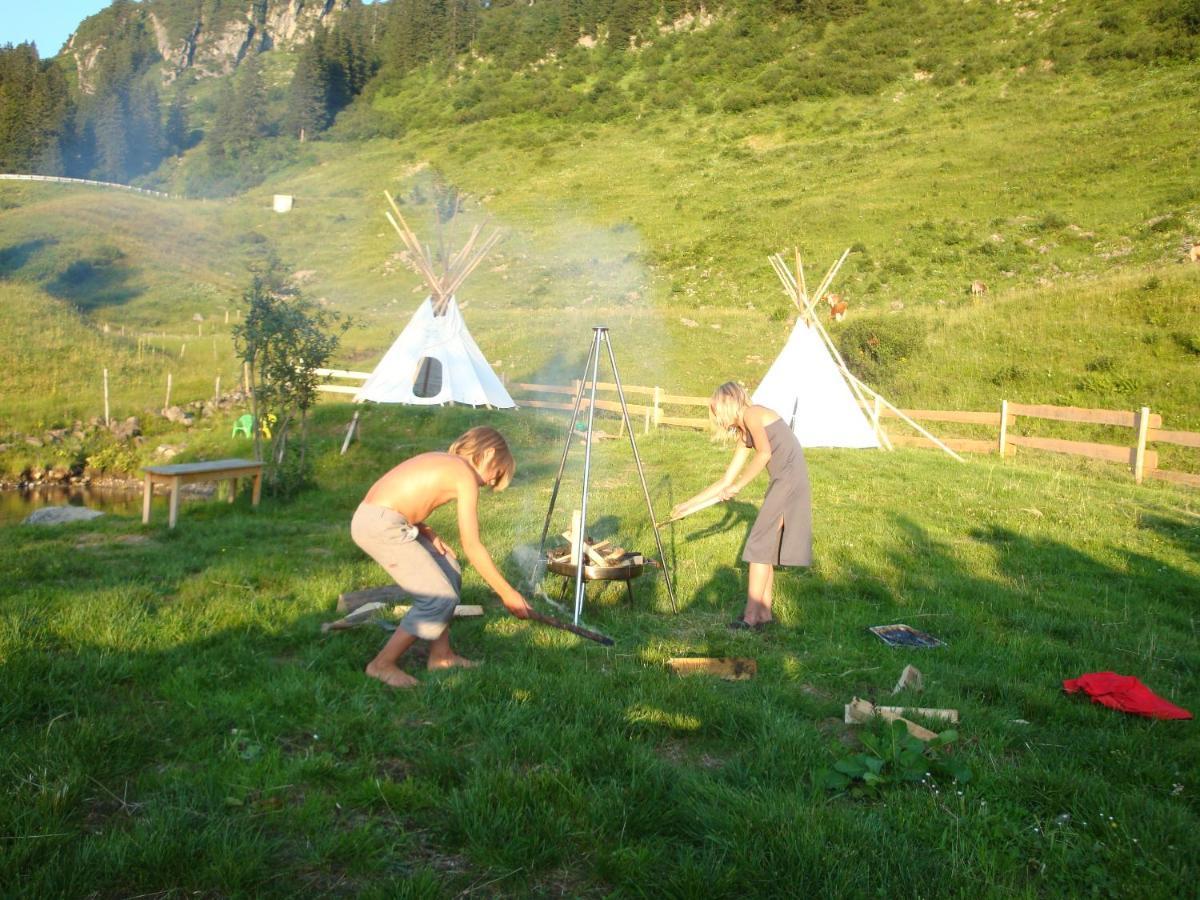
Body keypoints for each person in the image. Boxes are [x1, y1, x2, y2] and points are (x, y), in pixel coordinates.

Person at [351, 426, 532, 687]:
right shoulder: (464, 475)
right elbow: (472, 544)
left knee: (449, 569)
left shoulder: (448, 464)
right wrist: (507, 593)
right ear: (489, 453)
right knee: (438, 598)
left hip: (384, 518)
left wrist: (427, 531)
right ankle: (381, 665)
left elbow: (404, 496)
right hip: (379, 525)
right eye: (498, 472)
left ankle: (441, 656)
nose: (492, 482)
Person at [670, 382, 812, 630]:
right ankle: (764, 615)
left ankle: (749, 618)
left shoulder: (753, 414)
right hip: (784, 480)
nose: (716, 418)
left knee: (758, 546)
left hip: (789, 480)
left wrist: (740, 486)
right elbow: (725, 480)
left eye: (717, 411)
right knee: (764, 549)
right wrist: (687, 505)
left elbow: (765, 453)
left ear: (728, 403)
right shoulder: (744, 434)